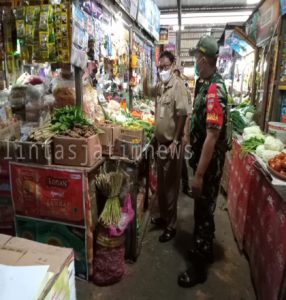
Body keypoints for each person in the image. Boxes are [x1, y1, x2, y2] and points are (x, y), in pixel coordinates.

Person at [178, 36, 228, 287]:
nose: (195, 62)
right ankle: (204, 249)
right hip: (200, 161)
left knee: (203, 213)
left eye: (197, 57)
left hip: (207, 167)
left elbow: (213, 135)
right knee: (202, 211)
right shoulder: (203, 83)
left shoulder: (214, 89)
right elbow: (197, 118)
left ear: (204, 59)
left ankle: (198, 269)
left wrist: (198, 175)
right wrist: (188, 133)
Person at [144, 51, 189, 243]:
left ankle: (171, 226)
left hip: (172, 145)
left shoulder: (177, 85)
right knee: (162, 186)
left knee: (171, 188)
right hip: (160, 144)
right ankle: (163, 217)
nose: (162, 70)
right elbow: (147, 92)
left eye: (165, 66)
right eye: (159, 67)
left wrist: (177, 141)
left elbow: (183, 114)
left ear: (173, 65)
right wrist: (146, 75)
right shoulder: (162, 86)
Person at [173, 69, 192, 197]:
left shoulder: (184, 90)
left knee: (181, 160)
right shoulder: (171, 89)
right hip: (172, 132)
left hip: (180, 132)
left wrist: (185, 134)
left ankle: (185, 186)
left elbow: (187, 115)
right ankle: (174, 186)